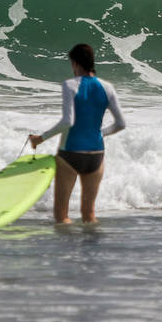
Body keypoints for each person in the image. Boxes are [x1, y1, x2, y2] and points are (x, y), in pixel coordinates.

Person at [29, 43, 125, 224]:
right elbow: (120, 123)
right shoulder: (107, 87)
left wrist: (40, 139)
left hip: (70, 154)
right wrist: (99, 133)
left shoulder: (70, 85)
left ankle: (69, 252)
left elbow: (68, 121)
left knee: (61, 216)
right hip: (96, 155)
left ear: (75, 63)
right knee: (89, 215)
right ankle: (91, 250)